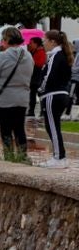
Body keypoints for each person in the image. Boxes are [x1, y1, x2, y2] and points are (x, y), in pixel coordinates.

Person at [0, 27, 34, 161]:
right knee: (20, 128)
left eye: (3, 39)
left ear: (7, 40)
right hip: (23, 98)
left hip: (5, 98)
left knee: (6, 130)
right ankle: (23, 156)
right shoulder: (28, 55)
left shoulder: (3, 55)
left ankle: (8, 156)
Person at [41, 29, 72, 168]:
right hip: (61, 94)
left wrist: (41, 89)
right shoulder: (63, 55)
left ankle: (58, 157)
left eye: (45, 40)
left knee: (52, 127)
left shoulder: (56, 55)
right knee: (54, 126)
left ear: (53, 42)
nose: (43, 43)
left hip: (52, 95)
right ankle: (61, 156)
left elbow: (49, 76)